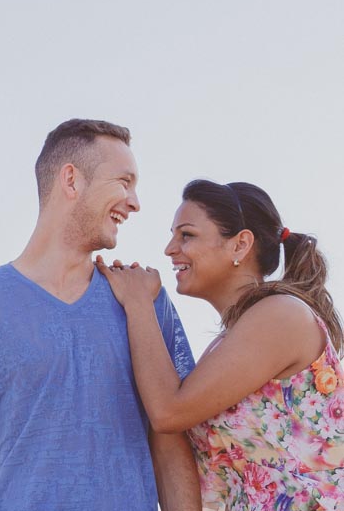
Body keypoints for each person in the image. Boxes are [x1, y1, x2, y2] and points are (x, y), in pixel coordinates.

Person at [0, 118, 201, 511]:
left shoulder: (144, 301)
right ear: (71, 180)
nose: (135, 203)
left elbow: (172, 444)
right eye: (124, 182)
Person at [101, 180, 344, 509]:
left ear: (240, 245)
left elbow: (168, 413)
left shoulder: (281, 314)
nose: (170, 249)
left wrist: (138, 302)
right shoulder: (227, 342)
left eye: (187, 235)